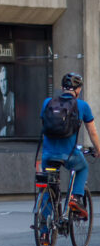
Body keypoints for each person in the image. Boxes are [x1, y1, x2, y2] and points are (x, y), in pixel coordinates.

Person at [40, 73, 99, 221]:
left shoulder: (47, 102)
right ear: (78, 90)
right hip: (69, 154)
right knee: (83, 167)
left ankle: (45, 231)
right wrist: (98, 149)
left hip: (47, 155)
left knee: (48, 186)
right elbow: (92, 132)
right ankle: (76, 198)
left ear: (61, 88)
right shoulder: (82, 106)